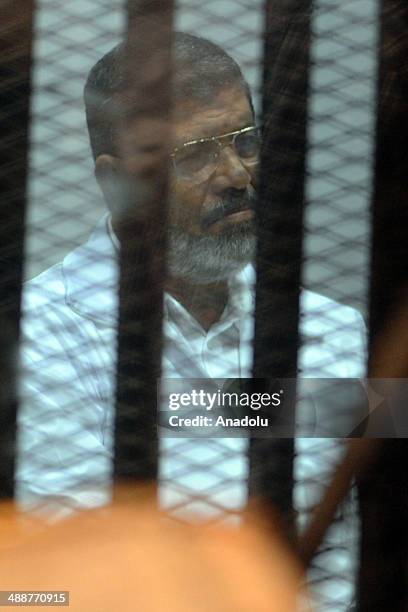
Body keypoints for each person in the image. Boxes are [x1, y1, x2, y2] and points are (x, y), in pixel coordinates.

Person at [16, 32, 365, 608]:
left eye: (245, 142)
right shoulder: (40, 339)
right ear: (116, 182)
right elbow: (47, 589)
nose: (236, 175)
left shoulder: (335, 334)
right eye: (196, 154)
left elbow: (359, 548)